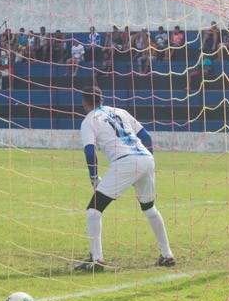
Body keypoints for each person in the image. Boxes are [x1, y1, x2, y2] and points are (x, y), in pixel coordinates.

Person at [75, 86, 175, 271]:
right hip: (146, 158)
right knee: (149, 208)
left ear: (84, 103)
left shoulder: (89, 120)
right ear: (101, 99)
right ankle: (167, 254)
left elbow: (89, 151)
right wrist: (144, 166)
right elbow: (146, 137)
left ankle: (97, 260)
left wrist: (94, 178)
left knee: (93, 209)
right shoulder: (120, 111)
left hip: (125, 161)